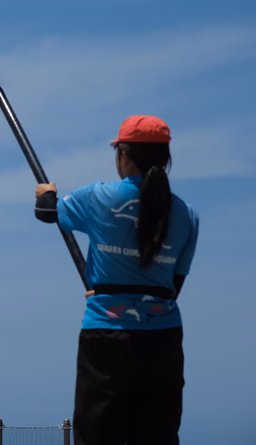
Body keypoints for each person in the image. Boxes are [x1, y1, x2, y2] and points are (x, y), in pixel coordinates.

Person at [33, 115, 199, 445]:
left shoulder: (98, 196)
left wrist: (46, 192)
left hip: (106, 336)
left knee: (96, 435)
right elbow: (172, 288)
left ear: (123, 154)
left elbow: (47, 213)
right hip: (163, 339)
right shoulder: (187, 214)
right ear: (166, 159)